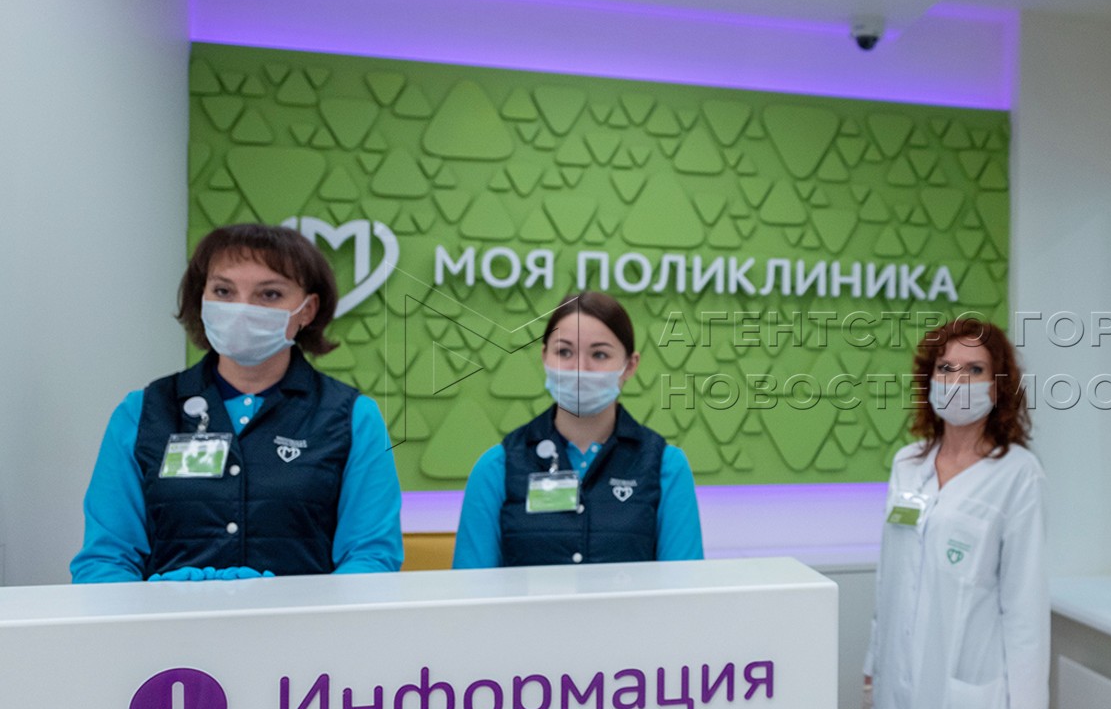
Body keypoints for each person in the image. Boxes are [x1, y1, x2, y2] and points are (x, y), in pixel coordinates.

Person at [72, 224, 403, 581]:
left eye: (270, 294)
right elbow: (105, 560)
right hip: (168, 618)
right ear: (201, 299)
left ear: (307, 310)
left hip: (304, 618)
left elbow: (370, 557)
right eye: (223, 291)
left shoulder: (353, 418)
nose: (242, 308)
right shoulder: (142, 412)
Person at [862, 318, 1071, 709]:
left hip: (964, 691)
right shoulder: (907, 464)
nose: (957, 381)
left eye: (974, 370)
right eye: (946, 367)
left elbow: (1025, 609)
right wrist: (872, 674)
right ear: (929, 379)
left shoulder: (1018, 474)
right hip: (894, 686)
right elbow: (888, 582)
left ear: (998, 386)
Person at [453, 292, 703, 567]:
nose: (580, 369)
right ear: (544, 356)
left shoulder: (666, 466)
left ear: (630, 366)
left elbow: (683, 586)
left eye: (599, 354)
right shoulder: (496, 467)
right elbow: (472, 587)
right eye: (564, 352)